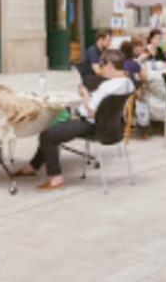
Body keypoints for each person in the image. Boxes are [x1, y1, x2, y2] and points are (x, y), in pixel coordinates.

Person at [13, 49, 134, 191]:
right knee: (52, 131)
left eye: (102, 66)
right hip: (113, 128)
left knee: (47, 135)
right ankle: (32, 167)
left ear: (110, 65)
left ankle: (55, 178)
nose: (101, 70)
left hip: (92, 125)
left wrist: (85, 94)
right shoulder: (128, 83)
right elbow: (108, 105)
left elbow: (92, 112)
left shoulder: (107, 86)